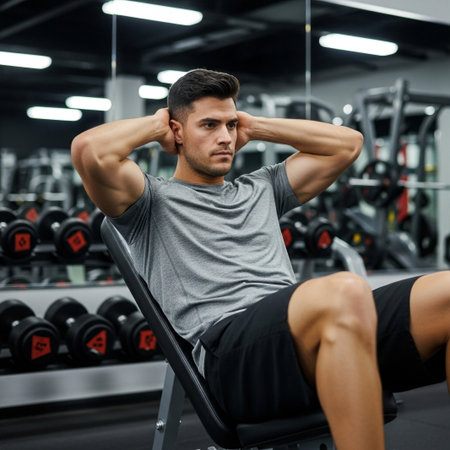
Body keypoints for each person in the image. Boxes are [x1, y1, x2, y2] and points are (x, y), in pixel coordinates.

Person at [71, 68, 449, 450]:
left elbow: (348, 144)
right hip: (231, 357)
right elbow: (90, 150)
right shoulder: (149, 201)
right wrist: (157, 125)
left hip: (301, 331)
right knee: (345, 289)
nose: (225, 137)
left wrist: (256, 126)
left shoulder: (262, 187)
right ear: (178, 132)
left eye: (230, 125)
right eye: (208, 125)